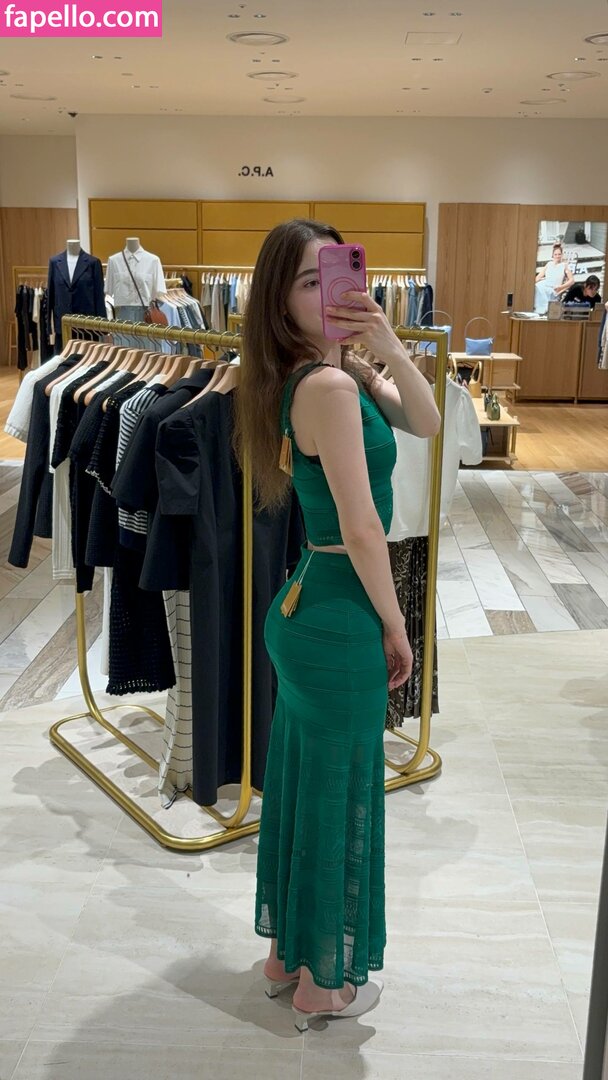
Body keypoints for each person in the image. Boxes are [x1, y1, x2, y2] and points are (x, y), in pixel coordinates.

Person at [234, 219, 440, 1031]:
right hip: (339, 613)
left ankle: (289, 955)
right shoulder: (328, 387)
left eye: (337, 274)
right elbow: (361, 527)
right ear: (278, 299)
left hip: (308, 603)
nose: (329, 293)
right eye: (309, 282)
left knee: (302, 787)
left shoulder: (328, 372)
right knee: (340, 797)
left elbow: (426, 420)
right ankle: (325, 983)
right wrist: (396, 624)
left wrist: (385, 342)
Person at [534, 242, 574, 313]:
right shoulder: (549, 264)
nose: (557, 256)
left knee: (547, 292)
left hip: (554, 288)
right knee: (536, 287)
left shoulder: (564, 265)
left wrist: (561, 287)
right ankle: (538, 309)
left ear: (561, 255)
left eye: (559, 254)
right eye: (555, 254)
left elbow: (572, 281)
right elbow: (539, 276)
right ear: (552, 255)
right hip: (545, 285)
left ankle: (543, 309)